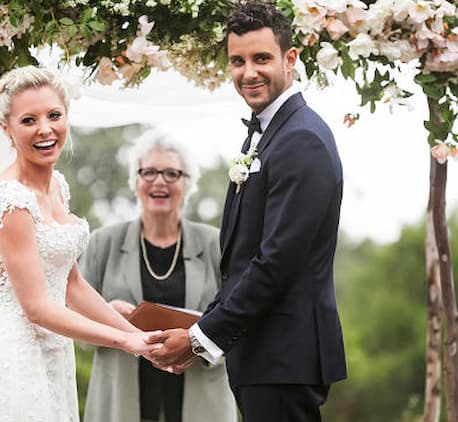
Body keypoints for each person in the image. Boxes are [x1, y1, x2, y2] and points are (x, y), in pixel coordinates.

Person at [0, 66, 159, 422]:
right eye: (29, 120)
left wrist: (142, 338)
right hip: (16, 359)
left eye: (54, 115)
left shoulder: (57, 186)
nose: (45, 129)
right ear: (7, 129)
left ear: (66, 117)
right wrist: (124, 342)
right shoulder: (12, 201)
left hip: (54, 353)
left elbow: (72, 284)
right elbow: (37, 308)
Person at [147, 1, 347, 421]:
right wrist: (204, 328)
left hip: (284, 355)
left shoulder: (302, 140)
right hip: (264, 354)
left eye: (261, 58)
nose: (248, 73)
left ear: (290, 59)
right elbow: (241, 257)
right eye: (237, 61)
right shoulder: (268, 132)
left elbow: (276, 262)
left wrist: (200, 338)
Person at [79, 132, 237, 422]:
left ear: (186, 183)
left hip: (202, 402)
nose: (159, 181)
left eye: (171, 173)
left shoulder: (218, 244)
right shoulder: (102, 243)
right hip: (121, 404)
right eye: (149, 172)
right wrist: (104, 316)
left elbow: (240, 320)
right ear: (135, 182)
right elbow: (76, 329)